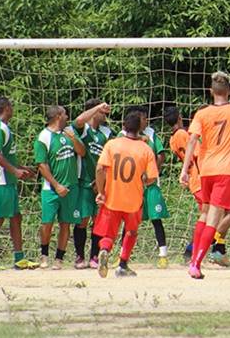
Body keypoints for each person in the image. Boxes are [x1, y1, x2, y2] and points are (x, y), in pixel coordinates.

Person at [181, 71, 230, 279]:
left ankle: (194, 257)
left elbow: (192, 140)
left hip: (206, 170)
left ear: (211, 91)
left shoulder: (202, 113)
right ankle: (195, 264)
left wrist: (184, 170)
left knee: (204, 214)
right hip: (226, 171)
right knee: (214, 217)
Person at [93, 111, 158, 278]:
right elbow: (151, 178)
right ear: (140, 128)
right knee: (131, 231)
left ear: (123, 127)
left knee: (108, 234)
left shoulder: (112, 144)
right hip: (134, 200)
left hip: (112, 197)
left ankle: (105, 250)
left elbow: (100, 169)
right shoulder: (146, 149)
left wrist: (101, 191)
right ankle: (122, 264)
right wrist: (143, 180)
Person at [0, 97, 39, 271]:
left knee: (15, 217)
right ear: (6, 108)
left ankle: (19, 258)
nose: (13, 108)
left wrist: (21, 168)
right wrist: (15, 171)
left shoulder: (5, 128)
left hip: (7, 180)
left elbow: (6, 156)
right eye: (11, 106)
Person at [118, 106, 171, 269]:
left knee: (156, 218)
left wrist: (153, 171)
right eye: (143, 118)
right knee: (129, 221)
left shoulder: (151, 134)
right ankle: (122, 256)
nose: (146, 121)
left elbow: (161, 154)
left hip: (151, 184)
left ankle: (163, 255)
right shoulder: (122, 136)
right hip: (132, 186)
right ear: (136, 119)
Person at [34, 105, 86, 269]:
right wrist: (57, 186)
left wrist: (73, 139)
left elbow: (82, 152)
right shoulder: (43, 137)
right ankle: (44, 255)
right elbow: (42, 165)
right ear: (57, 116)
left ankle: (59, 258)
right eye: (64, 114)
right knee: (47, 223)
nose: (67, 117)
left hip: (71, 187)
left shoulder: (69, 132)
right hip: (51, 189)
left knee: (66, 223)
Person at [71, 99, 112, 269]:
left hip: (101, 182)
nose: (105, 115)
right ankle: (79, 257)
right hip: (84, 180)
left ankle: (94, 256)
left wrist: (104, 179)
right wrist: (97, 107)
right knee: (82, 219)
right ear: (94, 112)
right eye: (103, 112)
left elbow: (110, 157)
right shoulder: (83, 129)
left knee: (99, 220)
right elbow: (78, 121)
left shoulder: (107, 133)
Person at [165, 107, 205, 264]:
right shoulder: (183, 135)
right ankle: (193, 250)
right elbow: (196, 154)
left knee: (209, 215)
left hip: (194, 178)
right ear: (180, 118)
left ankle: (195, 250)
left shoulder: (172, 139)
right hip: (199, 176)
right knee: (210, 215)